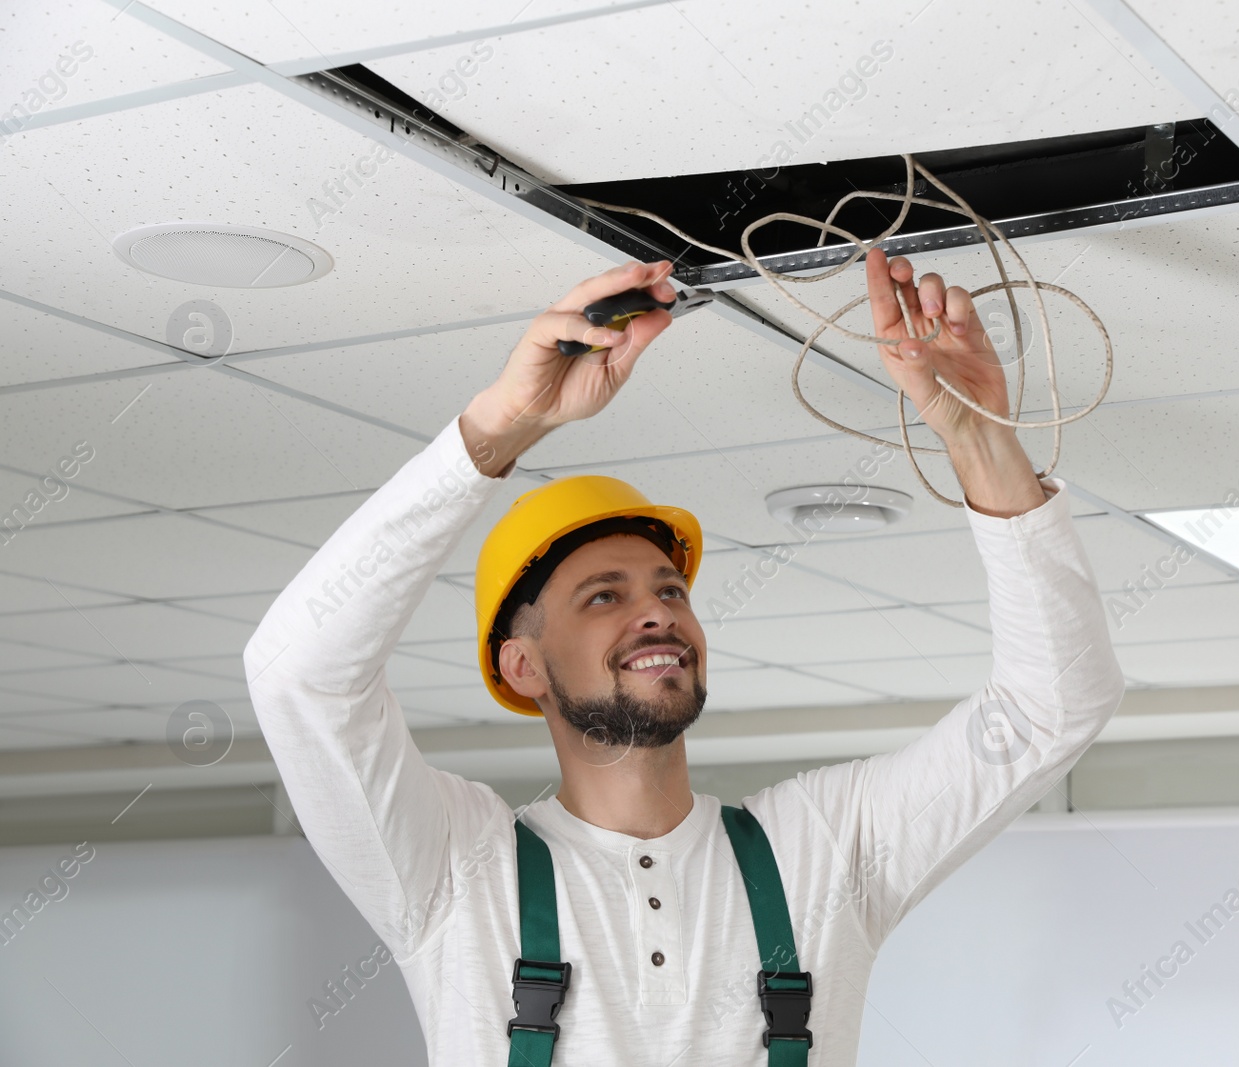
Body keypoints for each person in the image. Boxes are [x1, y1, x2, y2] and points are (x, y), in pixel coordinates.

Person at [244, 250, 1125, 1065]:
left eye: (670, 590)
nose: (657, 615)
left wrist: (978, 438)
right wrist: (501, 427)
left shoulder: (822, 850)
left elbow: (1053, 703)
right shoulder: (452, 873)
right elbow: (299, 674)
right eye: (604, 596)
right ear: (522, 667)